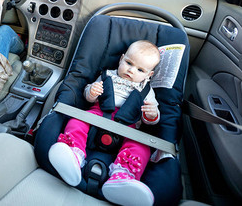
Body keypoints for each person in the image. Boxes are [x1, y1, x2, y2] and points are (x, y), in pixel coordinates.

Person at [48, 40, 161, 206]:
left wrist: (152, 115)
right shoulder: (107, 75)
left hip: (128, 128)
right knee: (76, 121)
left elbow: (150, 119)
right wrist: (92, 92)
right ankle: (73, 154)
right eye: (128, 63)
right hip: (96, 115)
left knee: (142, 146)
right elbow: (88, 95)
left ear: (149, 75)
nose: (131, 70)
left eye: (140, 70)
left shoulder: (146, 90)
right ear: (121, 59)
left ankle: (123, 176)